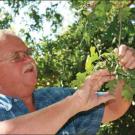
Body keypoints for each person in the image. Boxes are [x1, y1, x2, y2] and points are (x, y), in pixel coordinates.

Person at [0, 30, 134, 134]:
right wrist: (74, 103)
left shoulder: (55, 97)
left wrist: (127, 68)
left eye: (28, 53)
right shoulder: (70, 102)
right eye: (16, 57)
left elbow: (114, 108)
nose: (29, 60)